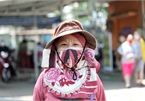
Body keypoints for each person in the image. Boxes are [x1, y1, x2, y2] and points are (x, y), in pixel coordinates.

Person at [33, 19, 106, 101]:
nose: (69, 49)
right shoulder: (45, 78)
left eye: (75, 44)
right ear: (56, 49)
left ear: (83, 49)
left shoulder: (92, 77)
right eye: (64, 44)